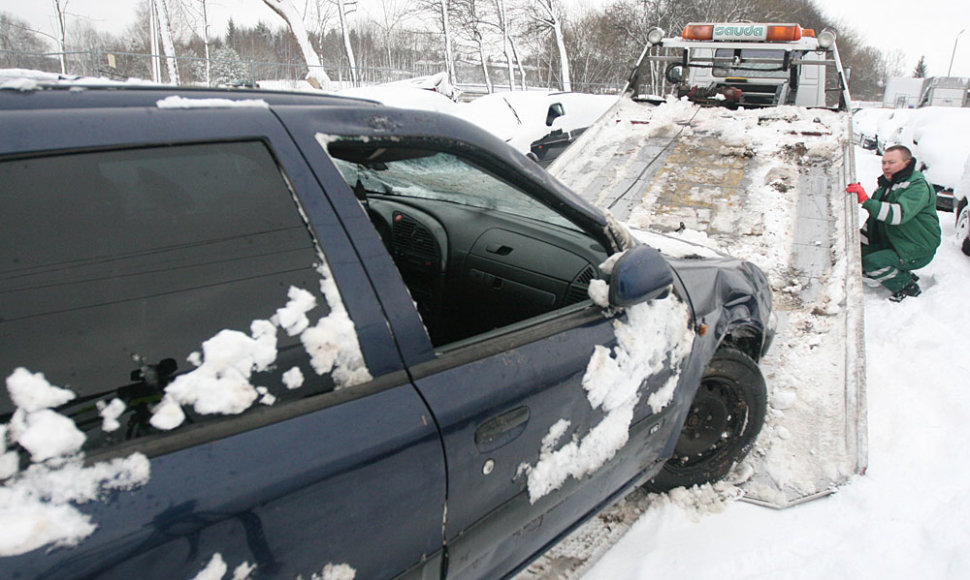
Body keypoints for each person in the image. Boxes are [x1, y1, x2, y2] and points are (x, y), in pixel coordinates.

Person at [846, 145, 941, 302]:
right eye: (884, 162)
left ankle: (905, 286)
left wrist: (865, 201)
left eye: (891, 162)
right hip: (896, 242)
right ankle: (898, 269)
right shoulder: (886, 185)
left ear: (906, 163)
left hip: (916, 248)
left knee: (872, 263)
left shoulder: (917, 186)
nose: (886, 167)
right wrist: (855, 243)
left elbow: (897, 214)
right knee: (857, 258)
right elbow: (875, 220)